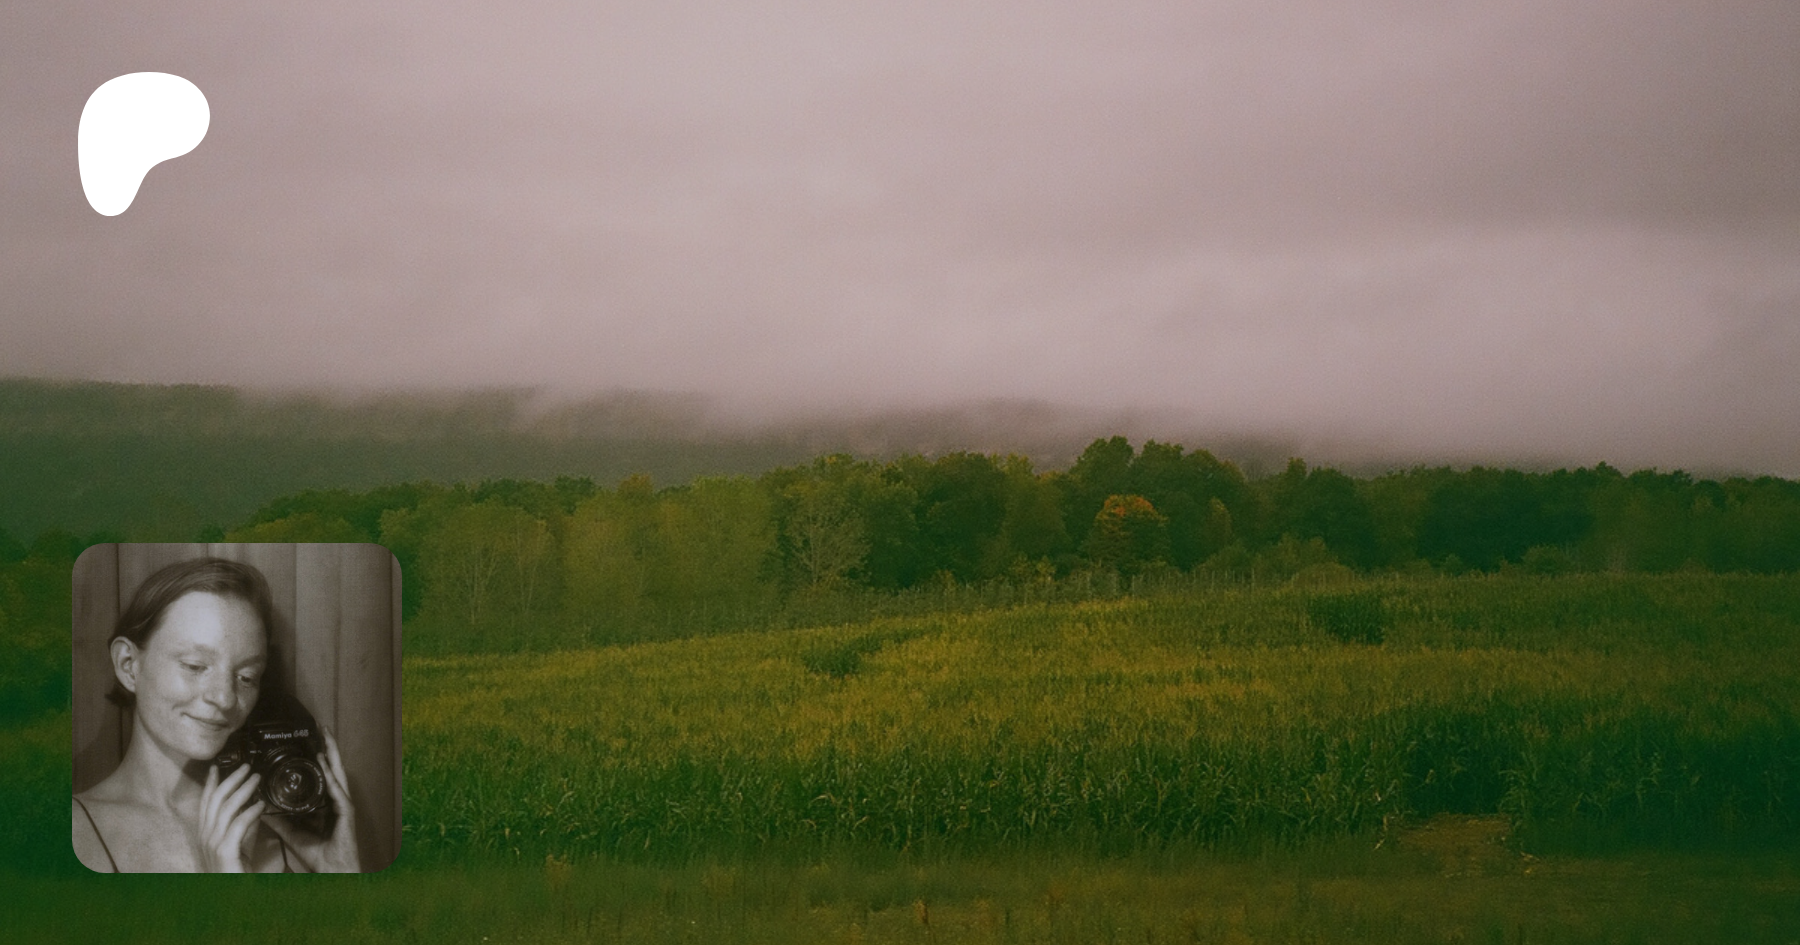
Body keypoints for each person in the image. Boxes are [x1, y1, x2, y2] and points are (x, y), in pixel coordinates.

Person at [72, 557, 362, 872]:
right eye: (195, 666)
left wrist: (342, 870)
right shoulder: (69, 831)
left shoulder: (282, 825)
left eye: (247, 677)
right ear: (129, 665)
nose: (225, 698)